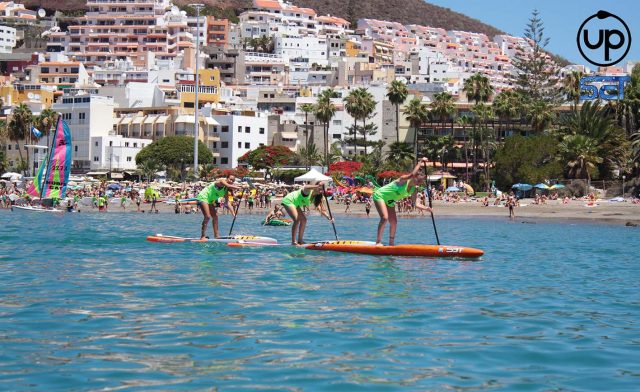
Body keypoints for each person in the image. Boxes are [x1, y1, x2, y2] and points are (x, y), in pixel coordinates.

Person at [372, 158, 433, 246]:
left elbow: (417, 204)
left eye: (422, 182)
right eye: (419, 180)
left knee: (394, 222)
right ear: (414, 177)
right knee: (385, 218)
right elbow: (412, 174)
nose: (420, 183)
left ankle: (391, 243)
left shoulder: (413, 190)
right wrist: (420, 162)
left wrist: (428, 209)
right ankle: (378, 242)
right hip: (380, 195)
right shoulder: (403, 180)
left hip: (389, 201)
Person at [197, 174, 245, 239]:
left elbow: (227, 202)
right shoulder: (221, 181)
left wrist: (233, 214)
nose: (231, 181)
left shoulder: (225, 190)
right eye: (230, 179)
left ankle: (216, 236)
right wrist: (241, 187)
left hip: (210, 201)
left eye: (233, 181)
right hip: (203, 197)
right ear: (226, 178)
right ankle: (202, 236)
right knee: (207, 216)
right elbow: (228, 185)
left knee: (215, 217)